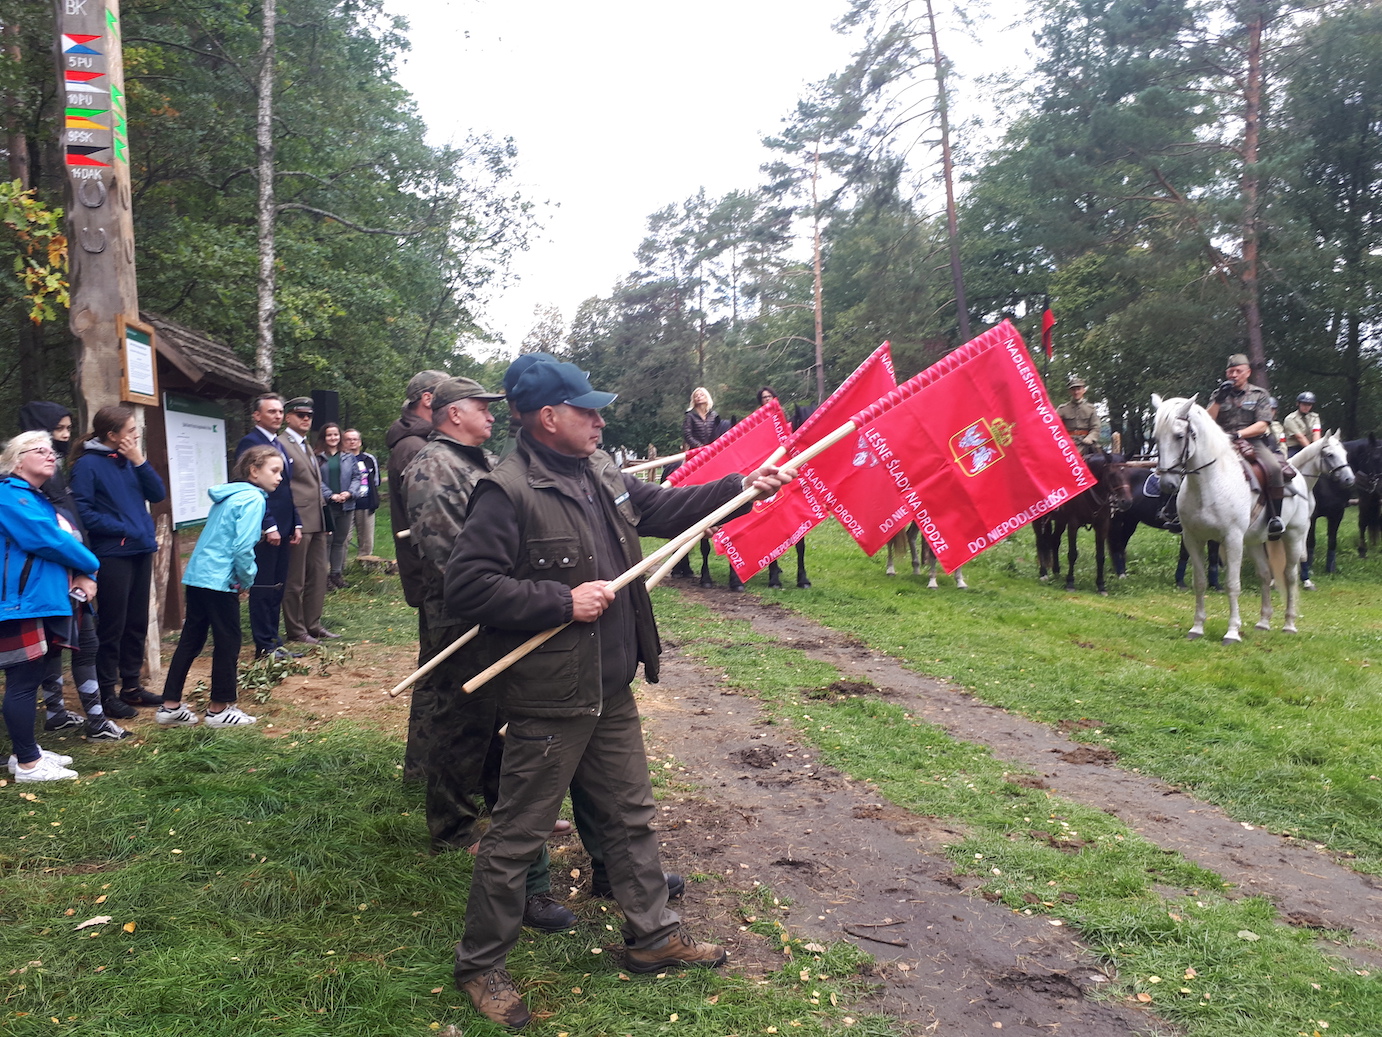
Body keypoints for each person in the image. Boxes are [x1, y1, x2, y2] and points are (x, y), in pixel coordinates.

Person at [444, 359, 796, 1028]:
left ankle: (652, 937)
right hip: (551, 696)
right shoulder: (507, 490)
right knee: (518, 835)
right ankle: (480, 965)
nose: (600, 420)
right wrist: (560, 601)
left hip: (610, 683)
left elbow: (659, 507)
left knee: (631, 817)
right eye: (587, 409)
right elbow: (467, 587)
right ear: (548, 416)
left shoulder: (600, 469)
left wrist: (741, 488)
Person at [157, 446, 283, 729]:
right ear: (254, 471)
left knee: (191, 640)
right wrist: (246, 579)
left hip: (198, 576)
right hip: (220, 580)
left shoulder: (230, 496)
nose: (279, 478)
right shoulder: (253, 499)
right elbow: (242, 547)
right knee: (228, 641)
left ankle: (170, 706)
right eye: (274, 471)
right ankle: (219, 710)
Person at [0, 431, 101, 781]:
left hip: (36, 601)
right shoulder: (9, 495)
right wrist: (91, 565)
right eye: (39, 450)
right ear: (17, 460)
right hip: (19, 603)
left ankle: (24, 752)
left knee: (30, 678)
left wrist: (81, 573)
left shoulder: (34, 496)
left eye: (52, 452)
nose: (50, 456)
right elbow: (48, 540)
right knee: (23, 680)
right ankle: (28, 764)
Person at [69, 405, 167, 714]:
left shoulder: (129, 460)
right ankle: (106, 693)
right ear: (112, 435)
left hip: (140, 550)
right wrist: (123, 528)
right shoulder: (87, 465)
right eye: (131, 430)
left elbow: (158, 493)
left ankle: (132, 686)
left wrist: (139, 460)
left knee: (137, 622)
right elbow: (82, 512)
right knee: (113, 624)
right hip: (112, 554)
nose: (136, 434)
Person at [18, 401, 95, 728]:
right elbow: (51, 533)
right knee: (77, 643)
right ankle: (85, 717)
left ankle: (57, 712)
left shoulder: (54, 467)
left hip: (74, 567)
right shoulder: (27, 483)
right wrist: (84, 565)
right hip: (56, 573)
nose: (64, 436)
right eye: (58, 429)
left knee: (67, 643)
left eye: (68, 429)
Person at [387, 369, 447, 779]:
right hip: (432, 576)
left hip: (432, 575)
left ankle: (426, 767)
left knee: (437, 668)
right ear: (427, 399)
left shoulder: (418, 442)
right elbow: (429, 524)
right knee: (436, 671)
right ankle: (425, 767)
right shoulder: (414, 448)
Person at [235, 394, 301, 660]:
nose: (277, 415)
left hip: (285, 525)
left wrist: (295, 521)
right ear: (257, 415)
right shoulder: (250, 443)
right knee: (263, 587)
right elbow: (251, 488)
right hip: (266, 528)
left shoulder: (278, 444)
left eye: (280, 411)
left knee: (277, 586)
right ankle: (264, 645)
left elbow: (285, 488)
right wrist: (269, 524)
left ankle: (274, 640)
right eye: (271, 411)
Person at [1207, 352, 1284, 539]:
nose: (1234, 375)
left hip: (1252, 441)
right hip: (1221, 441)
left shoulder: (1259, 394)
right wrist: (1218, 400)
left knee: (1274, 468)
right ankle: (1177, 512)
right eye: (1230, 371)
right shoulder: (1218, 394)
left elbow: (1262, 424)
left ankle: (1275, 517)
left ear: (1248, 372)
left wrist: (1239, 434)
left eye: (1238, 371)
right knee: (1194, 465)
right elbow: (1207, 420)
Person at [277, 397, 334, 643]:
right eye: (300, 415)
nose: (306, 419)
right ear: (288, 417)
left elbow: (314, 484)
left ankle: (313, 624)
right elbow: (283, 486)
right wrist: (291, 520)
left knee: (319, 574)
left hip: (317, 519)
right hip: (298, 519)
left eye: (309, 416)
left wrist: (325, 519)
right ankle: (296, 628)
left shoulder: (305, 445)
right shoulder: (281, 444)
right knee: (295, 578)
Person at [316, 422, 361, 590]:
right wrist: (330, 494)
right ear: (324, 437)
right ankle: (323, 576)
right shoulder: (317, 457)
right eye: (329, 435)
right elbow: (316, 480)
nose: (333, 438)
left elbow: (357, 477)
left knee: (340, 541)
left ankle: (336, 574)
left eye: (335, 434)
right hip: (326, 505)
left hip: (346, 504)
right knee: (327, 541)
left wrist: (349, 493)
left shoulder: (348, 456)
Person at [342, 429, 379, 558]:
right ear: (343, 442)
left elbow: (375, 481)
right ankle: (339, 565)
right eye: (348, 439)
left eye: (355, 439)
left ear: (360, 442)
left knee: (366, 540)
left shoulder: (369, 459)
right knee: (344, 538)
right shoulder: (340, 459)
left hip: (366, 503)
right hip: (345, 504)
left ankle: (365, 563)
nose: (352, 442)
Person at [1056, 377, 1103, 455]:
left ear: (1084, 390)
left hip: (1086, 443)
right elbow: (1054, 427)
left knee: (1100, 459)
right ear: (1070, 391)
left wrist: (1090, 438)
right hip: (1067, 444)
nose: (1076, 392)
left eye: (1078, 389)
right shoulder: (1062, 409)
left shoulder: (1090, 409)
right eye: (1073, 390)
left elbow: (1096, 428)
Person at [1284, 392, 1322, 456]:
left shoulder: (1314, 417)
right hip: (1295, 448)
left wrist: (1316, 448)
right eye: (1304, 404)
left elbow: (1316, 433)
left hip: (1312, 446)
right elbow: (1300, 437)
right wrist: (1312, 452)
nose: (1306, 407)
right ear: (1298, 404)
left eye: (1309, 404)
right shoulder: (1290, 419)